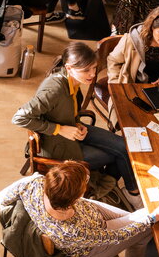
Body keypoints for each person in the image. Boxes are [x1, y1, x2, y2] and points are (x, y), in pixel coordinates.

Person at [12, 42, 144, 208]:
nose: (92, 74)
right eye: (86, 70)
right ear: (69, 68)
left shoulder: (73, 81)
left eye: (94, 68)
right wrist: (60, 129)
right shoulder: (54, 90)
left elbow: (66, 111)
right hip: (56, 144)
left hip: (72, 129)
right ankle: (121, 192)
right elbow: (19, 118)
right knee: (118, 155)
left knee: (123, 147)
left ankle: (126, 191)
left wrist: (76, 123)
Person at [0, 160, 159, 257]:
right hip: (89, 249)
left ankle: (138, 247)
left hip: (90, 213)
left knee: (140, 220)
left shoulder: (34, 182)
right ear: (76, 197)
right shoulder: (73, 231)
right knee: (147, 225)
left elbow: (2, 199)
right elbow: (117, 236)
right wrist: (151, 218)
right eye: (85, 182)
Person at [107, 6, 159, 85]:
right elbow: (113, 60)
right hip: (131, 85)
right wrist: (115, 84)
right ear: (151, 28)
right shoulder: (130, 39)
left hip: (157, 88)